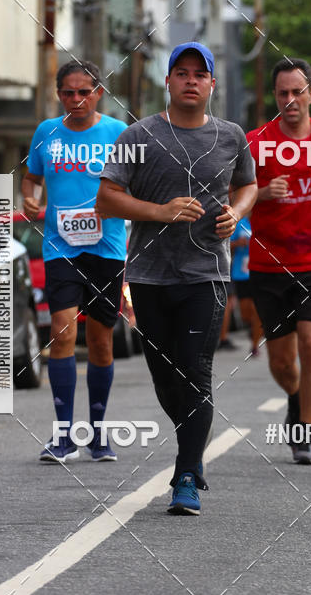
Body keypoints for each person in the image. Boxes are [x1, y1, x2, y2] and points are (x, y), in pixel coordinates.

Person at [96, 42, 257, 515]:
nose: (190, 80)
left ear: (211, 84)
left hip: (206, 274)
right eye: (181, 73)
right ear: (167, 82)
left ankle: (187, 473)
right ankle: (191, 441)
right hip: (149, 274)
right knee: (166, 378)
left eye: (199, 74)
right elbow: (107, 199)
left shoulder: (231, 136)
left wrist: (237, 213)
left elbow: (247, 185)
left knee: (195, 371)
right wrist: (160, 212)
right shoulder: (138, 134)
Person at [22, 60, 127, 463]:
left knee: (101, 341)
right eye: (68, 92)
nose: (76, 100)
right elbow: (31, 177)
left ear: (99, 92)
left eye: (85, 92)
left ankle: (98, 435)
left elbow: (135, 183)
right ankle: (64, 436)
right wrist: (29, 198)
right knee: (63, 334)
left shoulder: (118, 134)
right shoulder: (46, 133)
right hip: (60, 247)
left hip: (107, 247)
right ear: (58, 93)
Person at [247, 57, 311, 465]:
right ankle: (295, 397)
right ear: (275, 96)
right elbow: (231, 196)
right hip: (269, 263)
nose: (290, 100)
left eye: (297, 91)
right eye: (282, 93)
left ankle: (304, 430)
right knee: (281, 362)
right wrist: (260, 193)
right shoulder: (255, 142)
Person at [230, 216, 262, 356]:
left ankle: (255, 345)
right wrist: (238, 243)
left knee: (257, 311)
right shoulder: (240, 223)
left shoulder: (263, 221)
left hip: (259, 272)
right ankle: (253, 329)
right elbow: (226, 244)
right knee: (245, 313)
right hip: (241, 272)